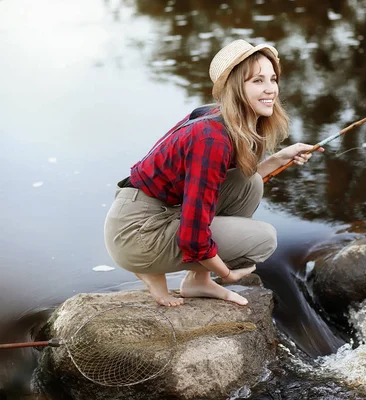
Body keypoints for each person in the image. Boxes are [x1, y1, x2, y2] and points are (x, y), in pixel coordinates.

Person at [104, 39, 323, 307]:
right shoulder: (212, 139)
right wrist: (227, 274)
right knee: (264, 239)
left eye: (273, 79)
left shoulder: (221, 118)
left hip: (154, 211)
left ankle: (198, 281)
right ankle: (150, 266)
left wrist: (280, 158)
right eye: (257, 81)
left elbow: (217, 186)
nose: (270, 90)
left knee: (249, 181)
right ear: (235, 89)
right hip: (137, 232)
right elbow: (193, 235)